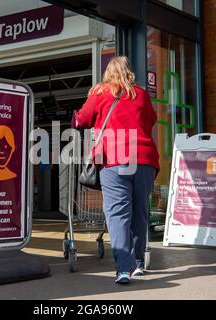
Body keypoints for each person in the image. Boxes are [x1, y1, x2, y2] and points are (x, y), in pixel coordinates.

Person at [74, 56, 159, 284]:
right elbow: (151, 120)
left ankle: (124, 269)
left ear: (108, 72)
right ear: (130, 71)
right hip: (144, 159)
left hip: (114, 159)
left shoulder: (100, 92)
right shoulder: (141, 94)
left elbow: (82, 120)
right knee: (140, 212)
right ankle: (139, 263)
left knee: (118, 214)